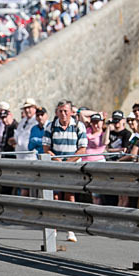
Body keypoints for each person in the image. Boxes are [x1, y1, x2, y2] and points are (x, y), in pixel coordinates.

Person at [43, 100, 87, 241]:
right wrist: (58, 161)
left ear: (71, 112)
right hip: (56, 166)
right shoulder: (50, 126)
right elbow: (46, 148)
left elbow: (82, 149)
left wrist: (67, 163)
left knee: (70, 197)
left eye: (65, 111)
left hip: (71, 167)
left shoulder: (78, 126)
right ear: (56, 112)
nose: (63, 114)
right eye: (60, 111)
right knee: (55, 197)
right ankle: (54, 228)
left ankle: (70, 229)